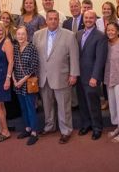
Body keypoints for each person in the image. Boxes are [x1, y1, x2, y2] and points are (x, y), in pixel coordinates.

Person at [33, 10, 80, 144]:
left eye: (55, 19)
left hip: (62, 76)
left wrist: (73, 74)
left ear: (58, 20)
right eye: (50, 19)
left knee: (64, 106)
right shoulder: (37, 35)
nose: (53, 21)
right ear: (46, 20)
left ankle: (66, 131)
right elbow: (35, 57)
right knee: (47, 105)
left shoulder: (69, 35)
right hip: (43, 76)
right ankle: (50, 126)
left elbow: (74, 57)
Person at [76, 10, 107, 140]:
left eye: (91, 18)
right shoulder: (78, 34)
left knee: (93, 103)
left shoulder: (100, 36)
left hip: (91, 76)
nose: (88, 20)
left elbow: (100, 59)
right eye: (86, 17)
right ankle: (86, 124)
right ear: (83, 19)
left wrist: (95, 77)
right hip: (79, 75)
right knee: (82, 102)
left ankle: (97, 127)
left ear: (95, 19)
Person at [12, 26, 40, 145]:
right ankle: (27, 128)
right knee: (23, 108)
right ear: (16, 35)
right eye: (19, 34)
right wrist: (14, 80)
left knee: (30, 108)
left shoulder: (32, 47)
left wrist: (21, 81)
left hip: (28, 83)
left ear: (27, 35)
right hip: (17, 83)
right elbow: (11, 65)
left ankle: (34, 132)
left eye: (23, 34)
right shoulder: (14, 48)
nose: (21, 36)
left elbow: (34, 66)